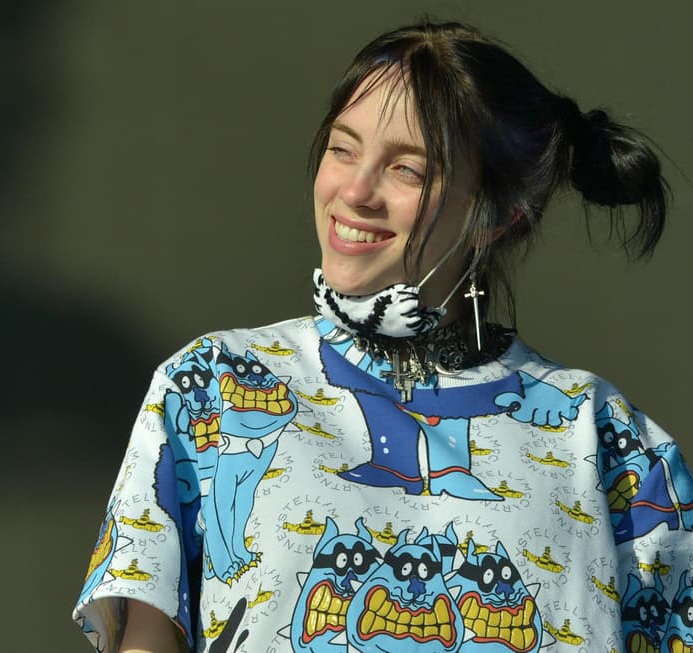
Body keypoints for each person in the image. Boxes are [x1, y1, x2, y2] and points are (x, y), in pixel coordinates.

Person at [72, 20, 693, 653]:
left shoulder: (609, 440)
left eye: (407, 170)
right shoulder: (211, 387)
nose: (355, 191)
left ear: (498, 214)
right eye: (342, 149)